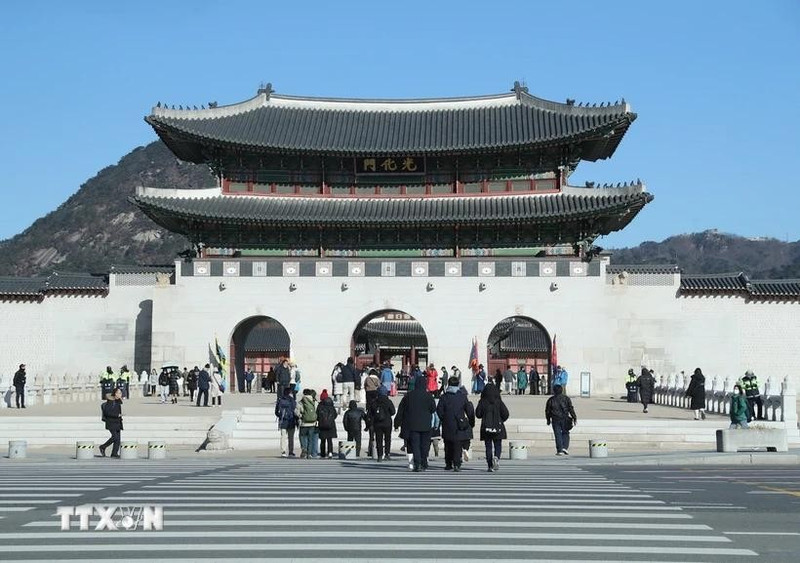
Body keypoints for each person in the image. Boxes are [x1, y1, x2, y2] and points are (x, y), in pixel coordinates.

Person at [396, 375, 437, 471]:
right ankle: (424, 462)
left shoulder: (409, 396)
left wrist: (397, 423)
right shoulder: (428, 396)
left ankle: (417, 463)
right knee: (424, 445)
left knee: (415, 445)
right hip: (426, 424)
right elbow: (433, 409)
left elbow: (401, 410)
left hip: (413, 424)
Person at [437, 376, 475, 472]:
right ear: (458, 384)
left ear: (448, 384)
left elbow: (439, 410)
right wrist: (470, 421)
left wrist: (444, 418)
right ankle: (457, 464)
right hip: (459, 423)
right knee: (457, 444)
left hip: (447, 423)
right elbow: (468, 409)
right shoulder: (462, 396)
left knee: (448, 444)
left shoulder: (444, 397)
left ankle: (448, 463)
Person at [475, 382, 509, 472]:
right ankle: (496, 457)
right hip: (498, 426)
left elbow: (478, 414)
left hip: (486, 427)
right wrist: (501, 420)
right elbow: (506, 413)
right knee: (498, 444)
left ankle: (490, 465)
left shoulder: (483, 401)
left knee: (488, 446)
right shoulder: (499, 401)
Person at [545, 384, 577, 456]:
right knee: (565, 432)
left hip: (555, 419)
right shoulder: (566, 398)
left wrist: (548, 419)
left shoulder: (551, 400)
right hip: (565, 418)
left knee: (557, 434)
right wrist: (574, 417)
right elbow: (570, 408)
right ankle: (565, 447)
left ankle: (560, 450)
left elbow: (547, 410)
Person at [368, 386, 396, 461]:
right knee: (387, 439)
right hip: (387, 423)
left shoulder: (374, 402)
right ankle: (387, 454)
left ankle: (380, 455)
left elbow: (370, 413)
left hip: (377, 423)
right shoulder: (388, 401)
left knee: (378, 439)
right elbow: (393, 412)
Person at [99, 387, 123, 458]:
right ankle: (103, 446)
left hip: (117, 422)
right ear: (115, 394)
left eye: (120, 393)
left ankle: (114, 453)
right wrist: (117, 415)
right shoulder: (110, 402)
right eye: (119, 393)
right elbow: (107, 412)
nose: (120, 394)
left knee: (118, 439)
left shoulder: (118, 401)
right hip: (111, 422)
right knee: (114, 437)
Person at [275, 387, 297, 457]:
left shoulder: (280, 400)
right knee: (291, 437)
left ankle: (283, 451)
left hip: (283, 421)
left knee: (283, 437)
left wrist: (281, 416)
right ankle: (291, 451)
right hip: (291, 421)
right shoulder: (293, 400)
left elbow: (276, 411)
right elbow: (295, 410)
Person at [296, 389, 319, 459]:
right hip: (312, 423)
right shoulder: (315, 402)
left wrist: (301, 416)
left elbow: (296, 412)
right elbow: (316, 411)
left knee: (302, 436)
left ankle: (304, 449)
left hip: (303, 423)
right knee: (310, 439)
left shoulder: (301, 402)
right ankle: (309, 453)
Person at [316, 391, 338, 458]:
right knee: (329, 440)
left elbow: (317, 415)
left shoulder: (320, 407)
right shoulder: (332, 408)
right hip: (331, 426)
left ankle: (322, 453)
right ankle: (330, 452)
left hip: (322, 425)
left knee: (323, 440)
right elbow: (335, 415)